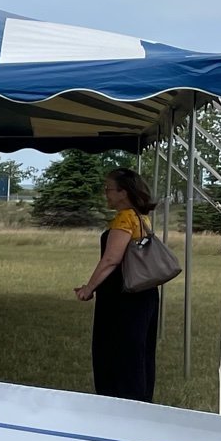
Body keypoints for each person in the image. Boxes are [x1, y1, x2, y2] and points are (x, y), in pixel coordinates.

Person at [76, 168, 160, 402]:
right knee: (139, 351)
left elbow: (111, 259)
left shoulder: (124, 218)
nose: (106, 194)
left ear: (123, 192)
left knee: (116, 352)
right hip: (144, 293)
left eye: (109, 189)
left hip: (123, 298)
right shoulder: (141, 216)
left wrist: (88, 288)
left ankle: (118, 402)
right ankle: (139, 400)